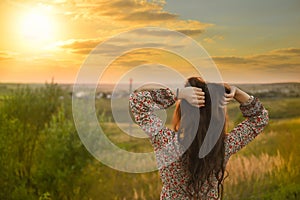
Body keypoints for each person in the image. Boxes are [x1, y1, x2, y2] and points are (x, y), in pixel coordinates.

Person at [129, 77, 269, 200]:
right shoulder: (224, 146)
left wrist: (178, 94)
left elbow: (137, 102)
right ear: (217, 117)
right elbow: (259, 118)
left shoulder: (166, 142)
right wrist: (237, 93)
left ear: (183, 112)